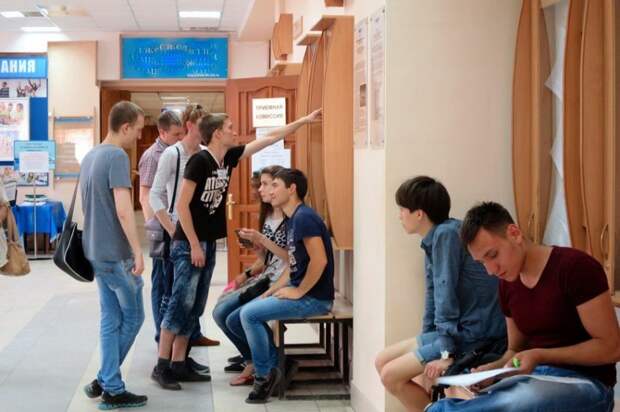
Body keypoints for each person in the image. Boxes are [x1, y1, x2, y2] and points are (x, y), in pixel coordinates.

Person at [152, 109, 322, 391]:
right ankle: (162, 365)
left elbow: (269, 138)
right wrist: (193, 244)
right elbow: (181, 206)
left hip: (207, 241)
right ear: (217, 133)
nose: (235, 131)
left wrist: (303, 121)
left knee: (194, 306)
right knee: (179, 303)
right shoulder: (199, 161)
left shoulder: (228, 158)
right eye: (230, 127)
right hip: (188, 243)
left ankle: (179, 363)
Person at [425, 201, 620, 412]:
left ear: (515, 233)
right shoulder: (507, 284)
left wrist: (540, 355)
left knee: (513, 403)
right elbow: (515, 351)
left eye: (493, 255)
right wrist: (493, 371)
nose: (491, 270)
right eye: (482, 263)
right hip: (535, 378)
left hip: (588, 384)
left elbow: (612, 348)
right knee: (478, 399)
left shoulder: (576, 268)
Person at [374, 176, 505, 412]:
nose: (399, 215)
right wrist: (427, 339)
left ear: (419, 214)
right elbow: (433, 296)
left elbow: (446, 298)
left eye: (402, 209)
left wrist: (446, 354)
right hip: (458, 331)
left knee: (390, 375)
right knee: (382, 361)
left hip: (475, 335)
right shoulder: (435, 238)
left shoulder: (447, 235)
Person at [240, 168, 335, 403]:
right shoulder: (294, 218)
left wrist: (299, 290)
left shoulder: (304, 218)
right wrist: (272, 290)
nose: (270, 191)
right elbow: (294, 265)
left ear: (292, 189)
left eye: (275, 186)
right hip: (303, 292)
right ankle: (274, 368)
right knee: (249, 311)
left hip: (315, 298)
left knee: (249, 315)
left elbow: (320, 260)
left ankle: (265, 376)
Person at [80, 101, 147, 409]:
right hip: (115, 254)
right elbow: (123, 210)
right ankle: (110, 386)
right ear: (125, 127)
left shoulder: (91, 155)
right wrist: (137, 252)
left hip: (94, 249)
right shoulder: (117, 156)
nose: (138, 136)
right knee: (134, 316)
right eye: (138, 130)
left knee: (111, 317)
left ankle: (106, 381)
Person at [212, 165, 289, 386]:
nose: (259, 190)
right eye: (260, 185)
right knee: (220, 312)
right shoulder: (268, 215)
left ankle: (267, 363)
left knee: (234, 316)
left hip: (278, 282)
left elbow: (291, 259)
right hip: (266, 279)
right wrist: (256, 253)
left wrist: (262, 241)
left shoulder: (291, 217)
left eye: (265, 185)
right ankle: (252, 359)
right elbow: (267, 260)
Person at [137, 110, 184, 346]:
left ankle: (175, 334)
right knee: (161, 282)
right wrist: (155, 228)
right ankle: (160, 335)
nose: (179, 138)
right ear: (162, 132)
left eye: (181, 134)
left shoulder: (177, 152)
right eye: (175, 134)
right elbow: (145, 196)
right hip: (161, 228)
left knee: (175, 281)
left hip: (176, 225)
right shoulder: (151, 156)